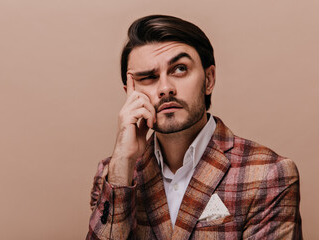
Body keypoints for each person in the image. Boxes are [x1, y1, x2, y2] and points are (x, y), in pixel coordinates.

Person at [86, 15, 302, 239]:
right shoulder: (112, 175)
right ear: (130, 95)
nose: (165, 88)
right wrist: (122, 163)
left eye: (179, 69)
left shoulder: (269, 173)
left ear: (209, 79)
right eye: (148, 77)